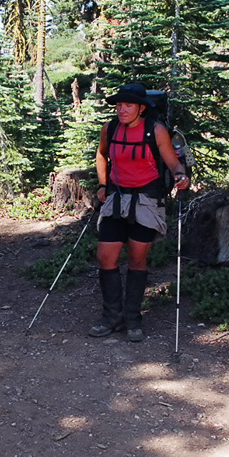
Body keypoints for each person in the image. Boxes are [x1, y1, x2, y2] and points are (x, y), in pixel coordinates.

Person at [90, 82, 189, 342]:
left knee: (136, 259)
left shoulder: (155, 131)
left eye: (128, 105)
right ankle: (112, 316)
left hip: (146, 201)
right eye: (119, 105)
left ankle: (133, 318)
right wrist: (103, 184)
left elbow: (170, 160)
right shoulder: (110, 129)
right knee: (106, 257)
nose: (122, 110)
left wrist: (180, 175)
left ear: (141, 108)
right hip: (116, 199)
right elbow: (101, 155)